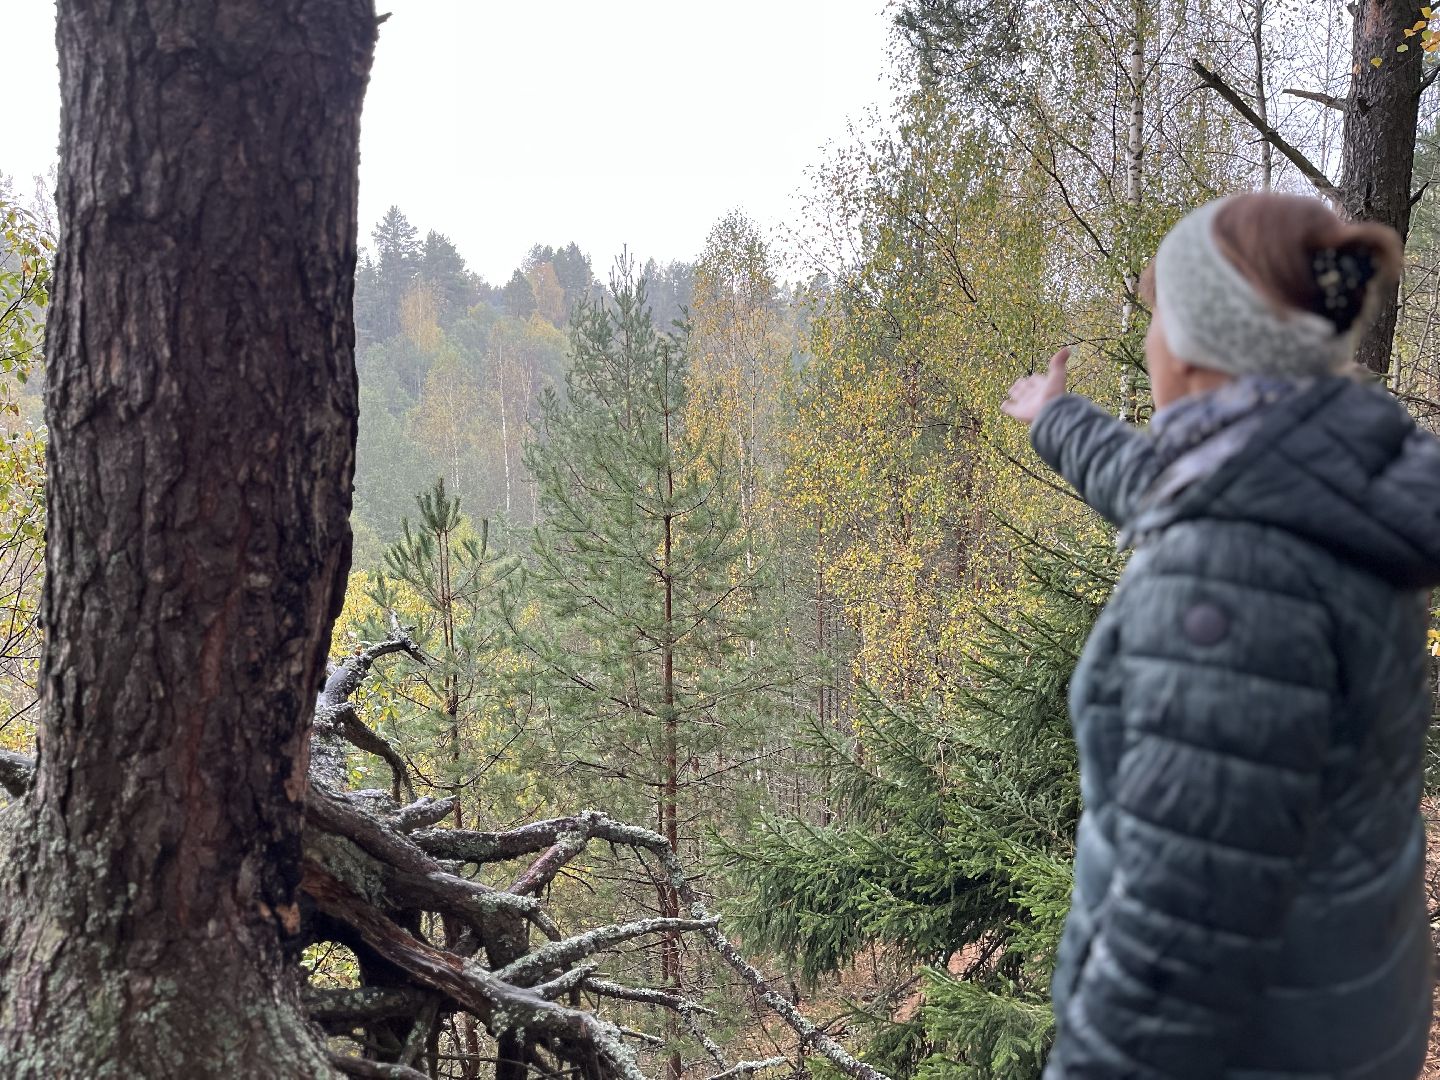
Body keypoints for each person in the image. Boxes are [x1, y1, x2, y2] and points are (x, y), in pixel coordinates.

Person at [1001, 192, 1440, 1078]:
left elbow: (1179, 942)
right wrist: (1059, 418)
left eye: (1161, 316)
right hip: (1349, 1005)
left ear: (1201, 350)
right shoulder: (1329, 474)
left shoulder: (1232, 582)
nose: (1154, 338)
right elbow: (1170, 483)